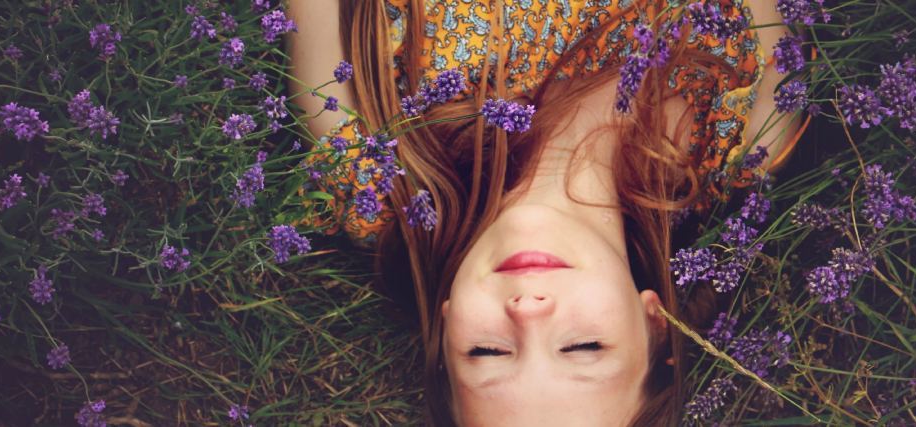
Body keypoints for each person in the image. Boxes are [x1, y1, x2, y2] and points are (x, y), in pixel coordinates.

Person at [286, 1, 808, 425]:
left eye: (485, 352)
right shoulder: (748, 131)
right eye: (583, 346)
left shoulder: (372, 174)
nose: (527, 311)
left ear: (445, 334)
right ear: (654, 325)